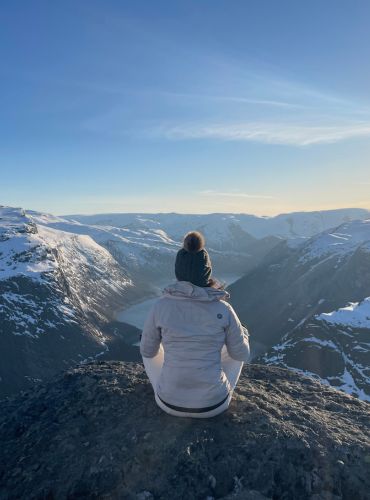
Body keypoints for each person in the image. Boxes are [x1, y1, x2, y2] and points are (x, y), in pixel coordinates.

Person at [140, 231, 250, 418]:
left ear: (178, 272)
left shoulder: (161, 306)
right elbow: (241, 355)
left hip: (168, 402)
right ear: (207, 272)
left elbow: (147, 352)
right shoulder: (223, 309)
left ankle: (174, 381)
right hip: (214, 404)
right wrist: (243, 335)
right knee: (237, 343)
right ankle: (211, 382)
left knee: (147, 343)